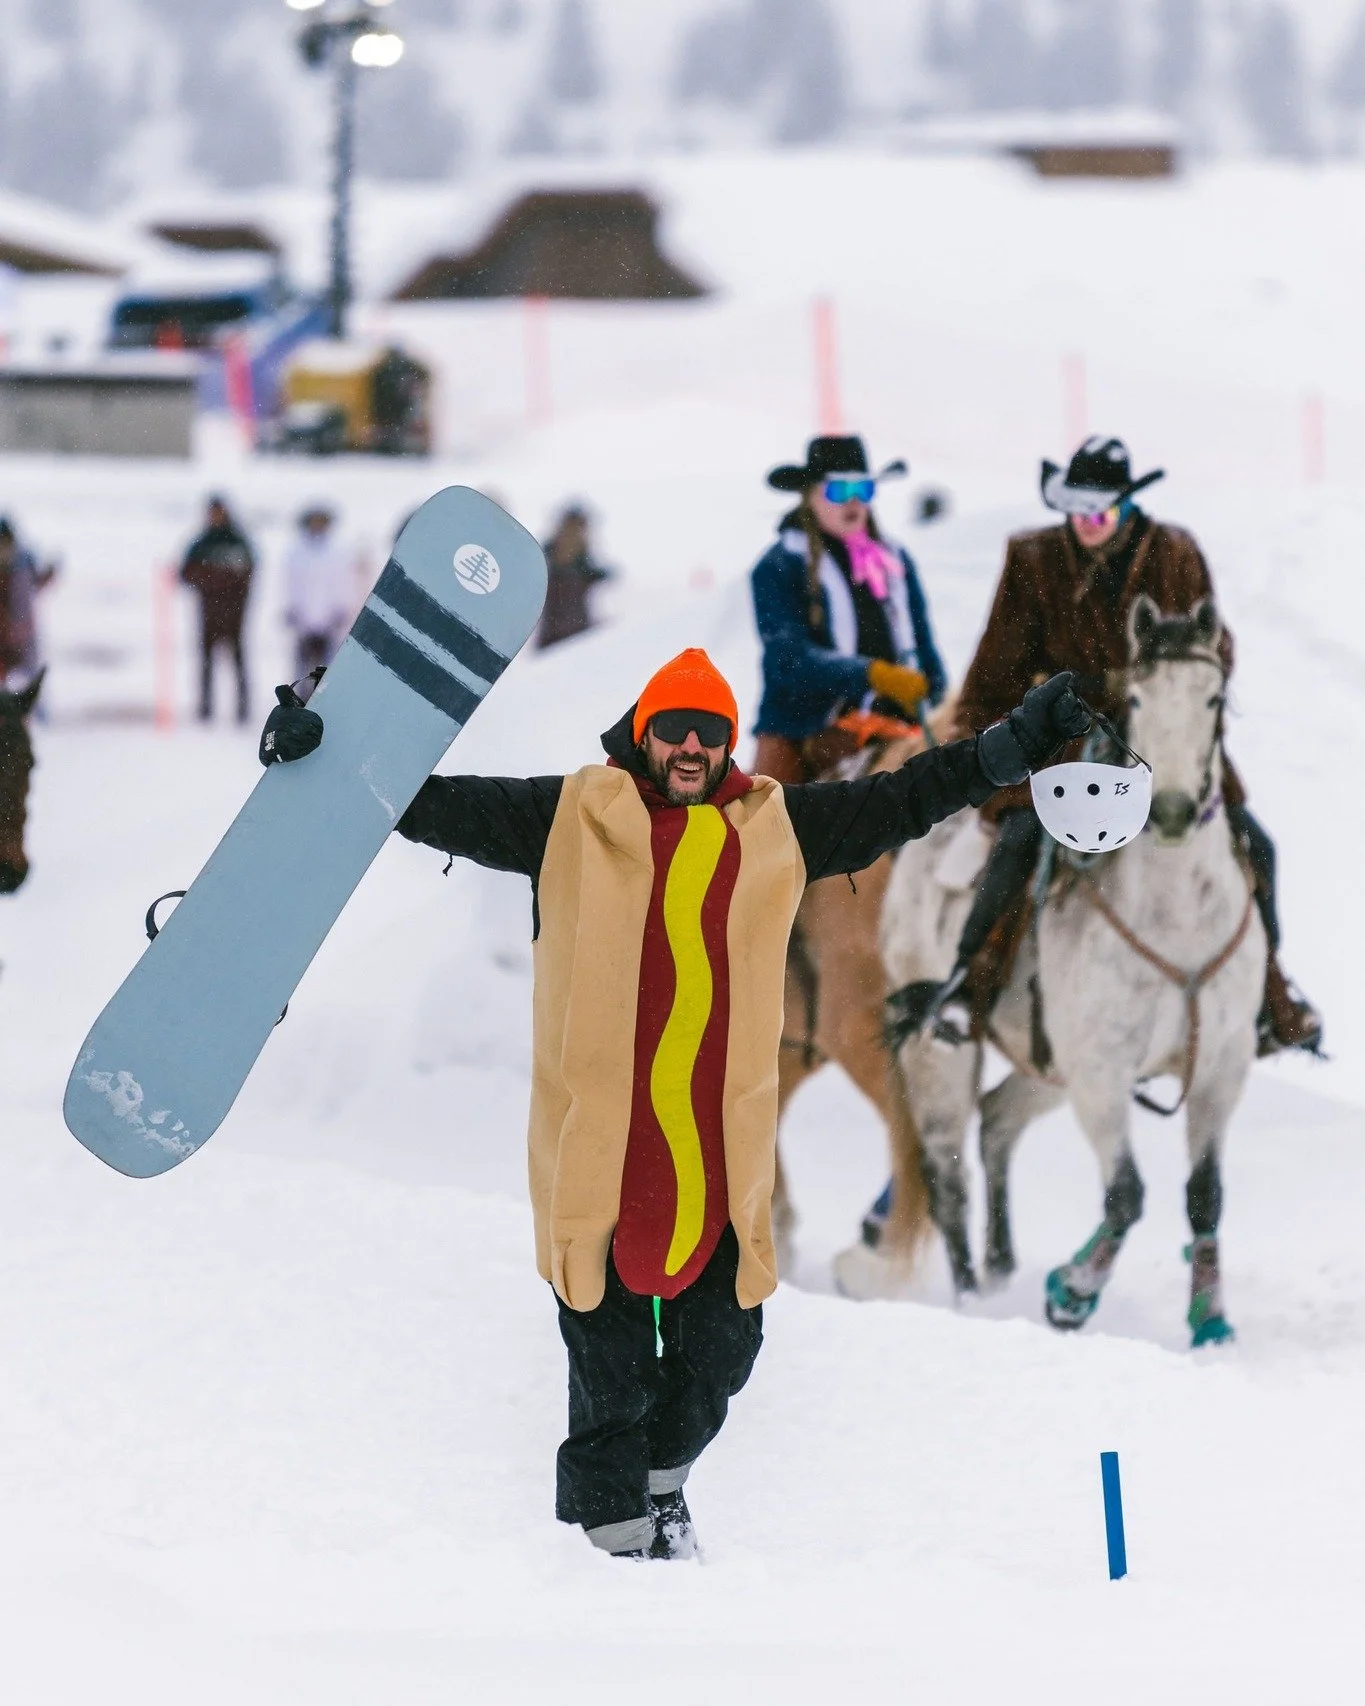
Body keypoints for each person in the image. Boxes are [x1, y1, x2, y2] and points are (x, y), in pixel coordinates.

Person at [259, 644, 1089, 1559]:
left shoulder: (772, 826)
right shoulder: (570, 816)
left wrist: (1012, 746)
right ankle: (615, 1555)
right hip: (603, 1158)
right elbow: (427, 806)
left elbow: (903, 799)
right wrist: (324, 752)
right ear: (642, 737)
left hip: (717, 1162)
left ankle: (658, 1489)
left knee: (724, 1353)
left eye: (709, 732)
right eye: (673, 730)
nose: (691, 747)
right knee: (609, 1374)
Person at [897, 435, 1321, 1057]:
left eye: (1102, 510)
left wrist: (1171, 678)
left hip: (1166, 741)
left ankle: (1268, 989)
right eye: (1075, 509)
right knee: (1018, 837)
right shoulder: (1034, 558)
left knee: (1256, 844)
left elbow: (1218, 646)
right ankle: (972, 981)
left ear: (1128, 505)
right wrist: (1052, 708)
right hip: (1060, 741)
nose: (1087, 523)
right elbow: (994, 672)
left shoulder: (1175, 553)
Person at [750, 434, 948, 783]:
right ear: (810, 494)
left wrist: (931, 686)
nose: (853, 501)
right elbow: (788, 659)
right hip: (802, 726)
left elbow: (922, 642)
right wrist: (872, 674)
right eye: (839, 490)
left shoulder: (895, 560)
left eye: (864, 489)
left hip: (891, 721)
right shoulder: (779, 565)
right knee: (769, 809)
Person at [179, 495, 255, 724]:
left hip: (234, 613)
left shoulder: (237, 541)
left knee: (238, 660)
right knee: (206, 662)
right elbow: (185, 573)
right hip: (208, 613)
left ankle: (243, 708)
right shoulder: (202, 542)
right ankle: (205, 708)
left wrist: (225, 581)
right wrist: (211, 579)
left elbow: (250, 570)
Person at [283, 506, 354, 678]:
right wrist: (291, 609)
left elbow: (343, 582)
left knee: (327, 668)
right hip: (303, 620)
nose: (317, 526)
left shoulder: (337, 553)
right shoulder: (296, 553)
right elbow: (290, 584)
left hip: (329, 621)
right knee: (302, 668)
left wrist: (341, 608)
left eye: (320, 522)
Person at [535, 504, 614, 650]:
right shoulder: (544, 563)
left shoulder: (587, 569)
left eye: (579, 530)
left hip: (580, 641)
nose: (574, 535)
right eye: (571, 529)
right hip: (551, 644)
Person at [0, 517, 57, 693]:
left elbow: (38, 582)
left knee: (31, 689)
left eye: (6, 544)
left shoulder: (23, 566)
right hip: (5, 644)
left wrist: (50, 573)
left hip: (25, 642)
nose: (4, 551)